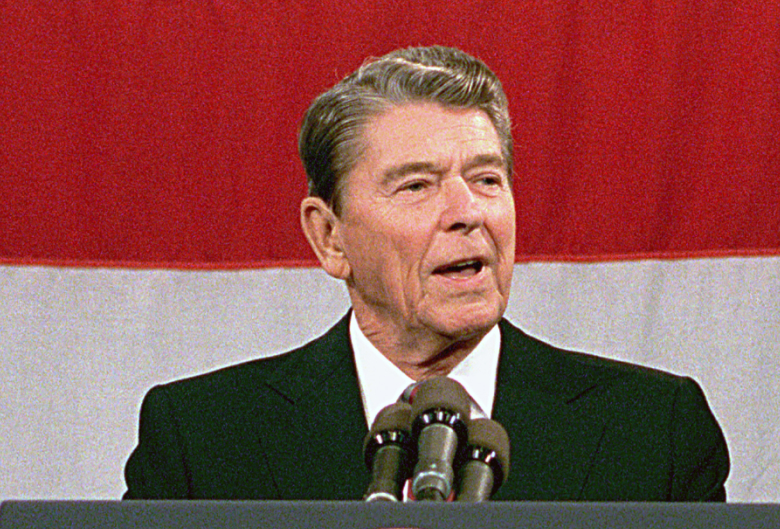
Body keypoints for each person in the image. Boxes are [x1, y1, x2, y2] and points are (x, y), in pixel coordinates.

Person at [124, 46, 729, 502]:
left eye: (488, 180)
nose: (468, 214)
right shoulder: (203, 443)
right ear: (329, 237)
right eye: (417, 186)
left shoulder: (652, 433)